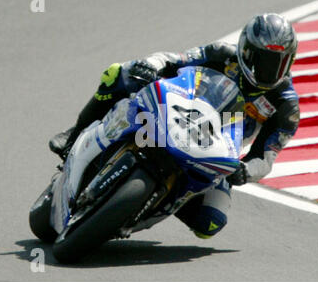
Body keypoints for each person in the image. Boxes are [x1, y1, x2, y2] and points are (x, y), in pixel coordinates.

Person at [49, 13, 300, 239]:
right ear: (245, 50)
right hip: (177, 112)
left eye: (279, 62)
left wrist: (247, 170)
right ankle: (74, 134)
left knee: (209, 224)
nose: (270, 70)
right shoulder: (221, 54)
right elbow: (176, 59)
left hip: (215, 148)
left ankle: (147, 207)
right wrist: (151, 64)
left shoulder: (286, 107)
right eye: (264, 60)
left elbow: (266, 157)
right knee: (119, 72)